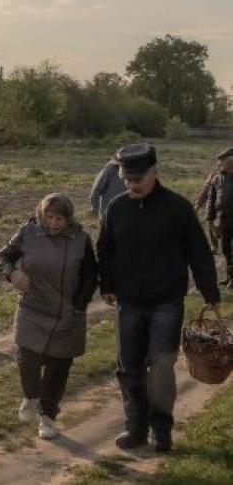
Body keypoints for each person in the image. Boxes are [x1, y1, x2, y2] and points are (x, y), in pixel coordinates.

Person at [96, 143, 220, 453]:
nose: (131, 184)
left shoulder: (177, 208)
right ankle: (134, 428)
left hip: (166, 301)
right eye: (127, 178)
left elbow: (199, 252)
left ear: (154, 172)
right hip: (129, 302)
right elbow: (106, 249)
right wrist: (107, 284)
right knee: (129, 367)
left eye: (138, 178)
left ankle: (161, 430)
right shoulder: (117, 207)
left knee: (162, 365)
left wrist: (210, 293)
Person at [0, 193, 98, 440]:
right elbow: (3, 257)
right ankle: (31, 396)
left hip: (66, 313)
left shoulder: (81, 240)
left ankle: (48, 417)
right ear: (42, 216)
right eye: (49, 218)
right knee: (27, 357)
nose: (53, 224)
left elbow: (90, 275)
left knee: (58, 367)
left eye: (59, 219)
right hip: (33, 307)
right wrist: (12, 274)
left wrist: (79, 305)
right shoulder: (28, 233)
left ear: (68, 218)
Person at [203, 147, 233, 285]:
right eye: (222, 161)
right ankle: (230, 277)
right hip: (224, 221)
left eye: (225, 161)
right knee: (226, 250)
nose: (222, 164)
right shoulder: (217, 178)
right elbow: (211, 199)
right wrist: (209, 217)